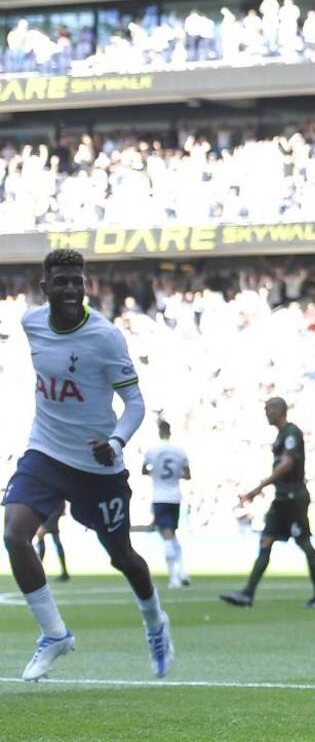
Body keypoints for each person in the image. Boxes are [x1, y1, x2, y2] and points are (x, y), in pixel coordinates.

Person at [2, 249, 173, 681]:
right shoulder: (31, 323)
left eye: (77, 281)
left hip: (97, 465)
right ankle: (55, 634)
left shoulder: (105, 337)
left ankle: (155, 622)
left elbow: (134, 403)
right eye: (61, 281)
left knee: (123, 558)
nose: (71, 289)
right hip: (44, 450)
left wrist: (115, 441)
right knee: (15, 534)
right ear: (45, 287)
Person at [219, 398, 315, 609]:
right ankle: (247, 594)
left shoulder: (291, 433)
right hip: (281, 499)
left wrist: (260, 487)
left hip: (293, 498)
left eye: (269, 409)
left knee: (304, 543)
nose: (266, 413)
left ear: (280, 410)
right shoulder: (281, 435)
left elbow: (287, 464)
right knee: (265, 542)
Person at [141, 420, 191, 589]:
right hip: (175, 497)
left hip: (159, 497)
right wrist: (176, 475)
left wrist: (155, 473)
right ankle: (182, 571)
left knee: (167, 537)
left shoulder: (152, 451)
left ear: (158, 431)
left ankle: (174, 578)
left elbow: (144, 470)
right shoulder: (180, 451)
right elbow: (188, 475)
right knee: (173, 535)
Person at [33, 502, 69, 583]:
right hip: (48, 514)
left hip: (51, 515)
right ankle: (39, 572)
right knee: (51, 541)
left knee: (45, 538)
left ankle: (38, 572)